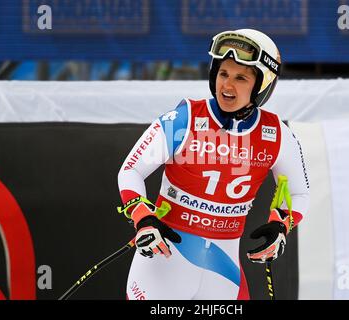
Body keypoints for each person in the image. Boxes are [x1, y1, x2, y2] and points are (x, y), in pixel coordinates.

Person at [118, 29, 309, 300]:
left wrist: (281, 225)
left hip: (224, 270)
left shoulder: (277, 134)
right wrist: (143, 219)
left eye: (240, 78)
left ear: (262, 85)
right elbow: (131, 170)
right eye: (223, 74)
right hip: (164, 260)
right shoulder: (184, 118)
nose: (227, 86)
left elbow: (300, 193)